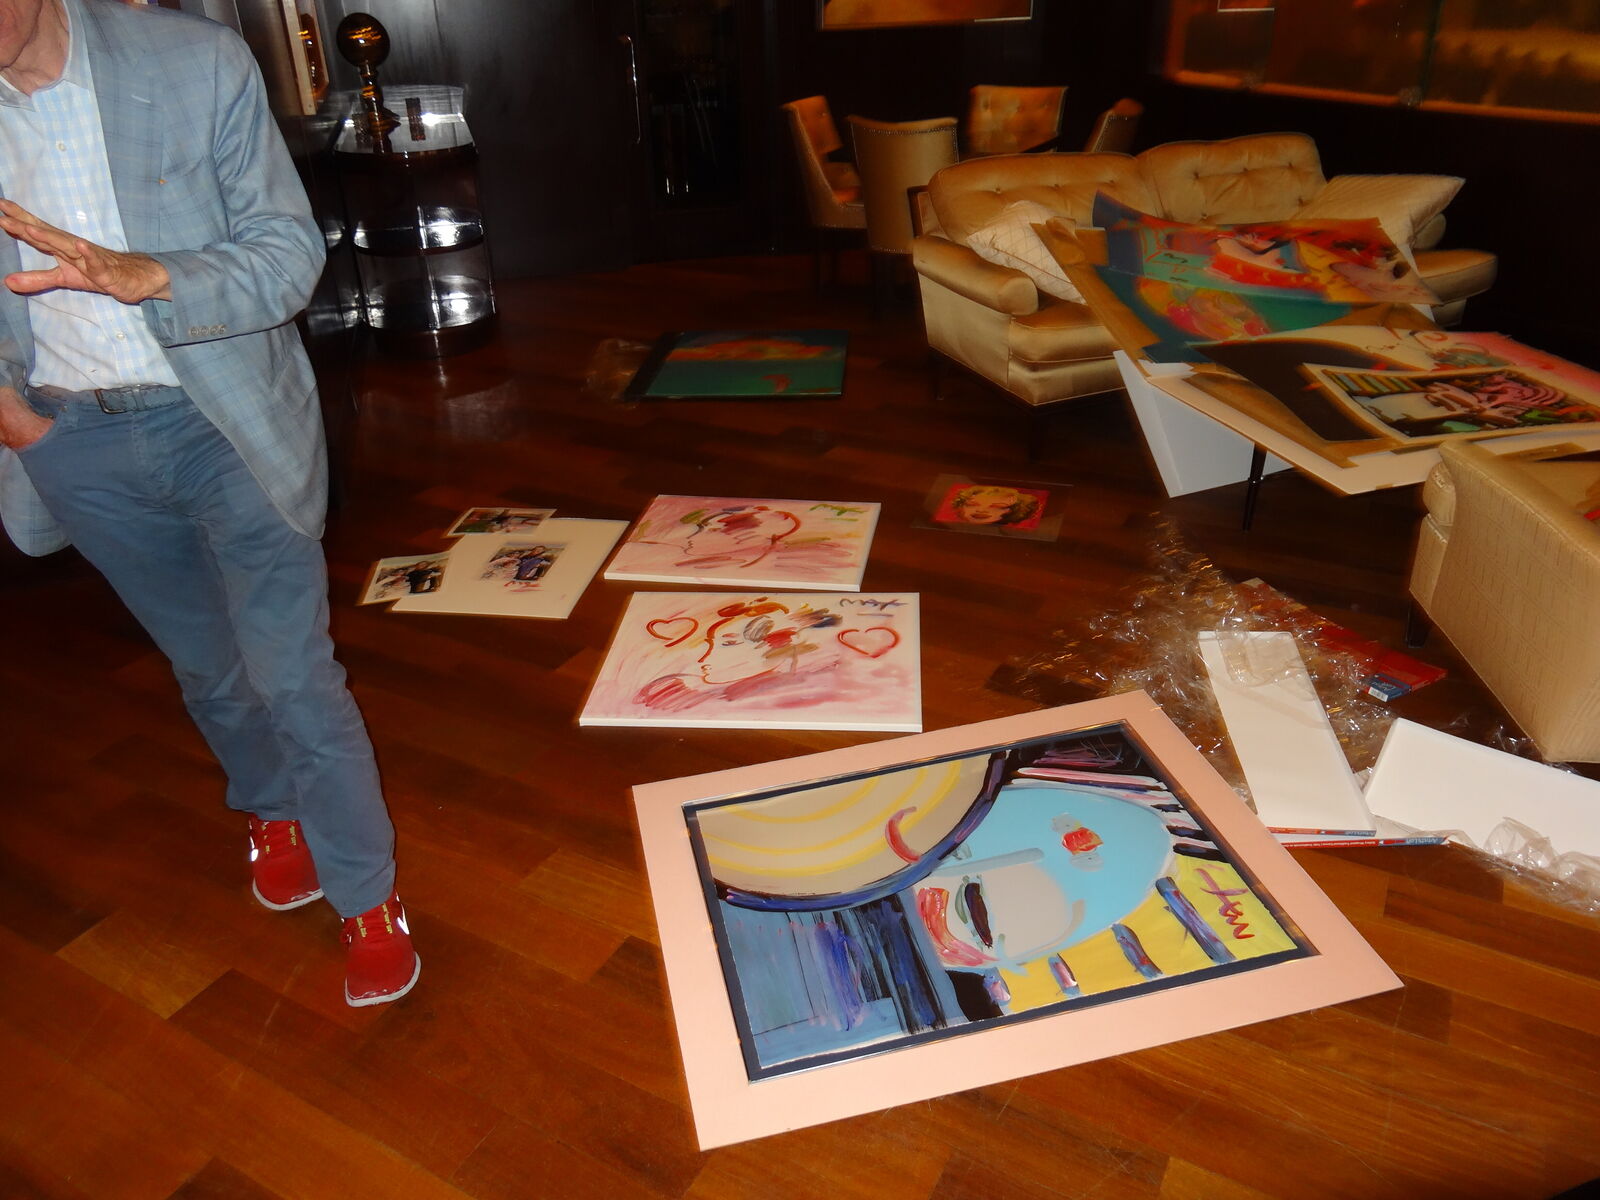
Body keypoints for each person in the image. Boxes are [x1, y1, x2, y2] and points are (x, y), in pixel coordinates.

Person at [0, 0, 419, 1006]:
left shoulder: (195, 62)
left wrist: (151, 275)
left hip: (226, 421)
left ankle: (368, 896)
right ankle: (270, 807)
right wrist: (20, 426)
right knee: (208, 669)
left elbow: (288, 255)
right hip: (73, 439)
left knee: (293, 678)